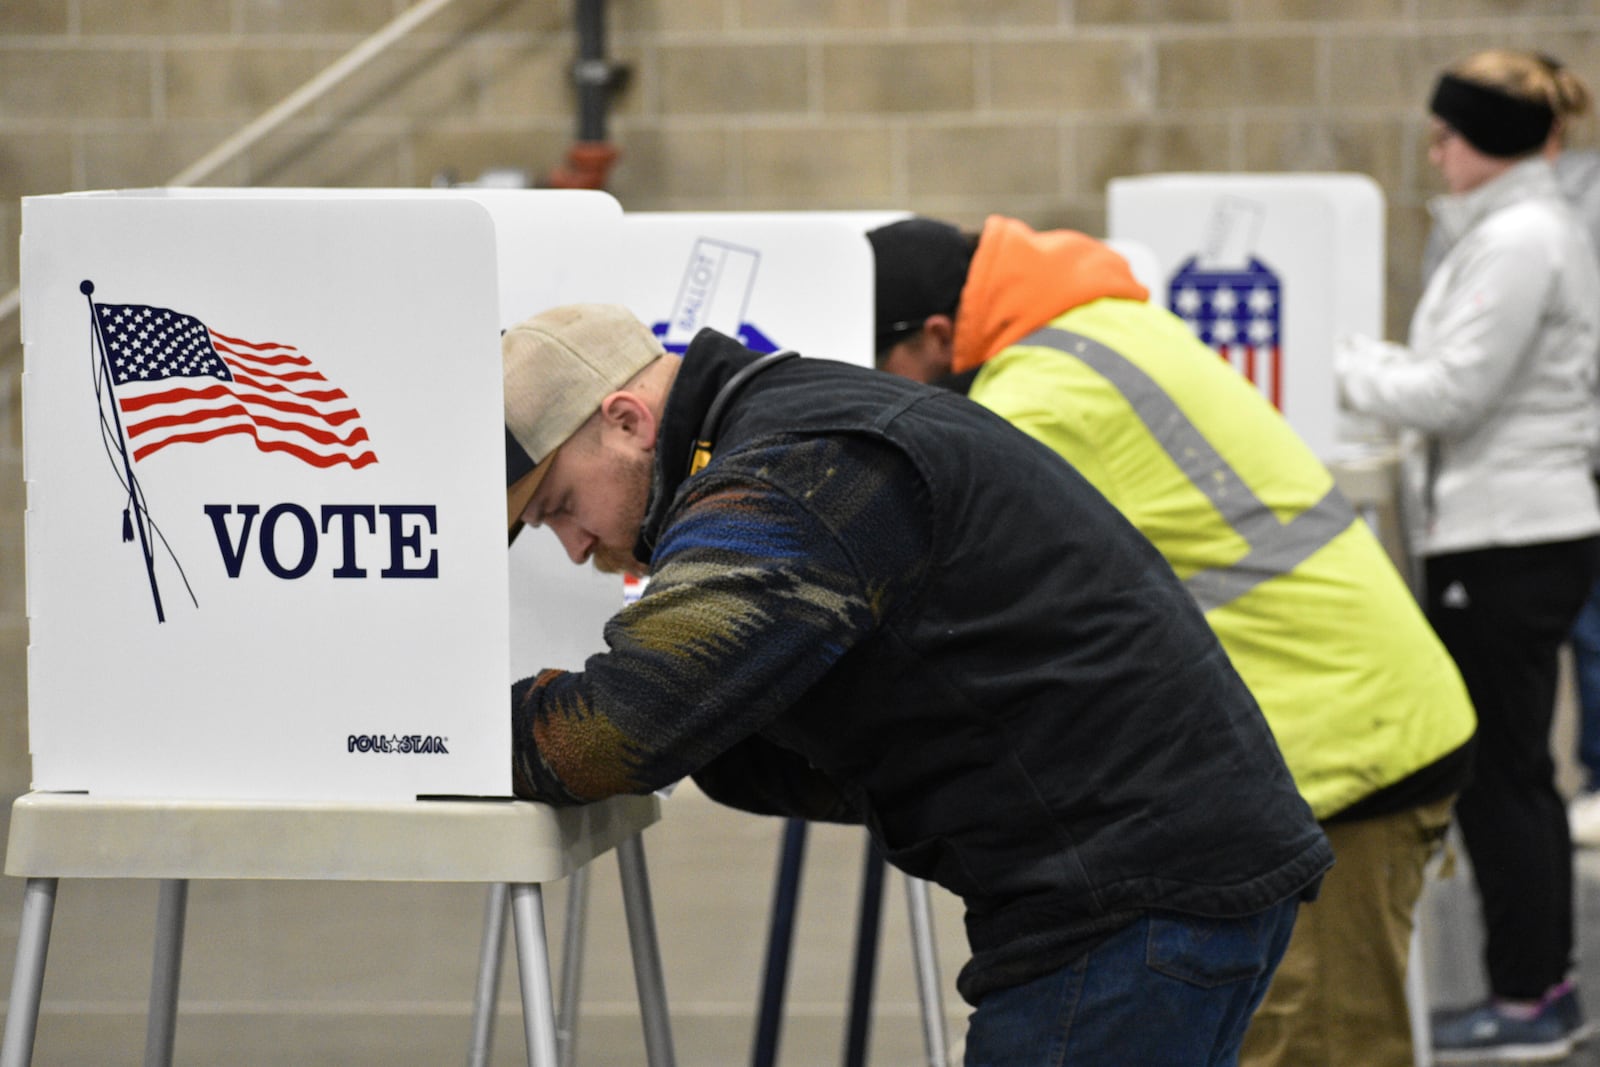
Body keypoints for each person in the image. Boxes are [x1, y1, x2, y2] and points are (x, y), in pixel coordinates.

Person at [502, 302, 1332, 1066]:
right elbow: (738, 741)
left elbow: (609, 736)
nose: (575, 546)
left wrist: (444, 732)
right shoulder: (800, 421)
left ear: (626, 420)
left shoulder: (794, 470)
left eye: (562, 506)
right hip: (1162, 872)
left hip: (1126, 896)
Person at [867, 214, 1476, 1067]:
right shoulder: (1100, 325)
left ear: (934, 335)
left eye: (875, 364)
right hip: (1343, 705)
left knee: (1312, 1049)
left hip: (1333, 747)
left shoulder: (1036, 401)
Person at [1336, 48, 1600, 1062]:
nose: (1435, 152)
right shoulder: (1512, 230)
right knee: (1511, 771)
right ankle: (1539, 985)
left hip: (1509, 536)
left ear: (1488, 140)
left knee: (1502, 776)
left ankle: (1529, 997)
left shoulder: (1523, 237)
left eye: (1448, 135)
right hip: (1506, 529)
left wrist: (1342, 361)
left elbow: (1451, 391)